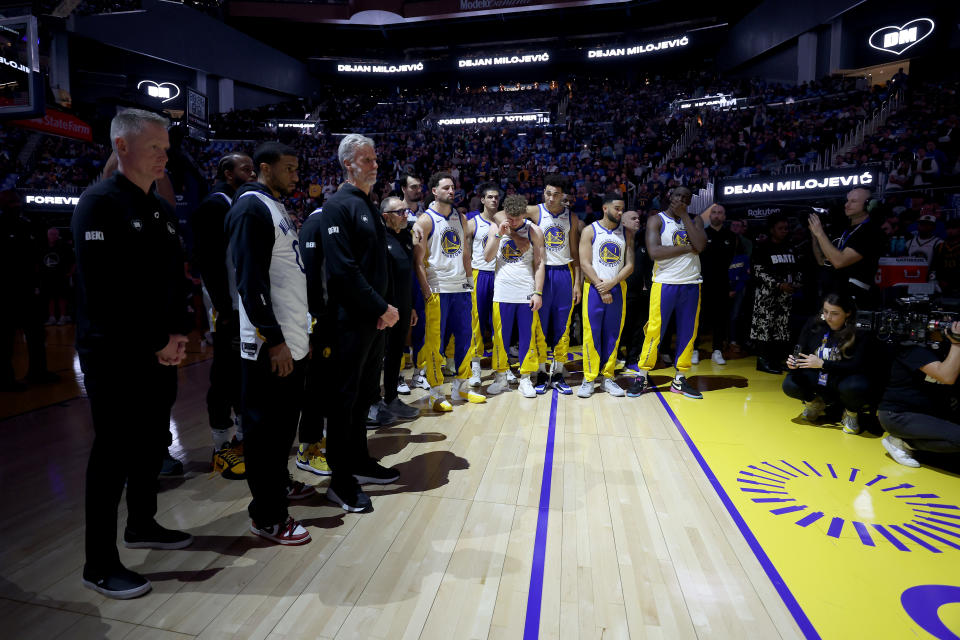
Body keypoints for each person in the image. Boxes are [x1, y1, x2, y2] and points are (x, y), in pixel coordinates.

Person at [72, 108, 193, 599]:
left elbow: (172, 280)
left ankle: (142, 524)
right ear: (122, 147)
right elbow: (106, 293)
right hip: (114, 352)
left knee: (150, 441)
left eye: (166, 147)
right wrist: (156, 340)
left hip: (158, 349)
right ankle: (98, 563)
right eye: (154, 147)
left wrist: (179, 334)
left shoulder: (160, 208)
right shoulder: (98, 204)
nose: (165, 155)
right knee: (113, 452)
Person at [226, 141, 313, 545]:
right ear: (265, 168)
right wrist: (276, 339)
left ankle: (278, 487)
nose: (296, 174)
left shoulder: (274, 205)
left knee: (282, 430)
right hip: (266, 344)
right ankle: (268, 517)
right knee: (265, 434)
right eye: (289, 167)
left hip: (290, 339)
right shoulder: (250, 208)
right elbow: (251, 283)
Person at [321, 134, 400, 513]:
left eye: (374, 159)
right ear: (348, 163)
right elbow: (342, 270)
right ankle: (340, 481)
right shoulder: (337, 206)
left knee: (363, 397)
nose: (374, 165)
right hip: (351, 321)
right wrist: (379, 306)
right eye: (366, 160)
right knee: (343, 402)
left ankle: (358, 461)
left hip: (373, 321)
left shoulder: (365, 204)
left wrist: (382, 310)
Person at [190, 153, 256, 479]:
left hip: (243, 306)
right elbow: (208, 261)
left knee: (243, 374)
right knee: (225, 375)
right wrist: (222, 307)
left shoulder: (239, 202)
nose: (253, 172)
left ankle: (243, 439)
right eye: (246, 168)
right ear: (228, 173)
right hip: (226, 307)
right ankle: (220, 446)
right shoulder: (214, 205)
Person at [413, 171, 486, 411]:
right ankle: (435, 392)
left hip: (461, 288)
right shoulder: (425, 220)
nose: (451, 191)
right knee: (435, 343)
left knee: (466, 337)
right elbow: (418, 260)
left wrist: (469, 281)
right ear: (434, 191)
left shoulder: (461, 217)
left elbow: (466, 253)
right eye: (446, 188)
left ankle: (462, 387)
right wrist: (425, 290)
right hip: (437, 288)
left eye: (453, 187)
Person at [628, 187, 706, 399]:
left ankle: (680, 378)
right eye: (677, 196)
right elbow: (655, 253)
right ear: (669, 197)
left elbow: (700, 244)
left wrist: (684, 217)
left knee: (688, 332)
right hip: (664, 283)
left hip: (691, 283)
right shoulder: (657, 220)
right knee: (654, 331)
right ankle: (642, 376)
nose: (680, 199)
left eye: (685, 197)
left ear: (689, 201)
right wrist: (688, 248)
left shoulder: (695, 220)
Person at [484, 194, 546, 398]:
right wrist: (500, 235)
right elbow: (487, 257)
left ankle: (525, 378)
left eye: (517, 218)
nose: (513, 222)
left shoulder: (534, 230)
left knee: (527, 338)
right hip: (502, 292)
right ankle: (501, 376)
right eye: (510, 217)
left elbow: (539, 263)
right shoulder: (496, 228)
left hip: (526, 292)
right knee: (500, 338)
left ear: (524, 215)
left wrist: (538, 292)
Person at [783, 293, 872, 434]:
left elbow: (858, 367)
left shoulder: (859, 331)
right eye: (825, 312)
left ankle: (851, 413)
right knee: (790, 383)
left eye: (835, 313)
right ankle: (815, 403)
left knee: (857, 386)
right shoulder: (814, 324)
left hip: (843, 379)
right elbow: (800, 351)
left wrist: (823, 364)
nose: (829, 317)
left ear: (848, 313)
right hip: (819, 377)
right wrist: (793, 364)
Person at [877, 321, 960, 468]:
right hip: (898, 415)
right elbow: (947, 376)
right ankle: (904, 442)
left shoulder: (943, 346)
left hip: (929, 412)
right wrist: (957, 343)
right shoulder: (912, 348)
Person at [578, 193, 634, 398]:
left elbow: (630, 264)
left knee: (612, 333)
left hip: (617, 288)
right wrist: (601, 286)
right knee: (591, 334)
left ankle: (608, 377)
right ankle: (589, 378)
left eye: (622, 209)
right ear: (605, 208)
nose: (620, 212)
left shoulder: (626, 233)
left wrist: (612, 283)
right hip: (593, 288)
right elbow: (585, 263)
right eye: (617, 208)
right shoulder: (589, 231)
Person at [0, 190, 57, 391]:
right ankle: (5, 380)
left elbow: (36, 256)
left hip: (29, 289)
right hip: (7, 291)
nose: (16, 205)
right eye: (12, 202)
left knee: (36, 333)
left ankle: (38, 372)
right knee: (6, 339)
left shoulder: (26, 225)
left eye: (17, 201)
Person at [294, 204, 333, 479]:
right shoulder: (316, 222)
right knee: (315, 386)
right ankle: (308, 448)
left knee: (328, 383)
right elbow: (309, 276)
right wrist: (313, 319)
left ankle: (324, 442)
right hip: (317, 318)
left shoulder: (333, 221)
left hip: (334, 317)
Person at [375, 196, 420, 419]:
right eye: (400, 212)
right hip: (383, 310)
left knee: (395, 355)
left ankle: (391, 398)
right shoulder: (378, 238)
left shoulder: (406, 236)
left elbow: (406, 275)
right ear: (386, 217)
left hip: (402, 307)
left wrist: (410, 306)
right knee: (376, 359)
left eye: (406, 211)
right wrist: (382, 308)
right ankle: (373, 403)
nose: (405, 215)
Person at [809, 188, 885, 309]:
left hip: (854, 300)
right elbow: (822, 260)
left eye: (853, 201)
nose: (847, 205)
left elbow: (839, 261)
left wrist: (819, 233)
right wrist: (814, 235)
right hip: (832, 297)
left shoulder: (871, 232)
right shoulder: (842, 229)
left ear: (868, 205)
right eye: (847, 200)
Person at [750, 215, 803, 374]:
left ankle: (775, 360)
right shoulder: (762, 248)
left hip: (786, 296)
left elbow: (798, 269)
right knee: (764, 328)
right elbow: (758, 271)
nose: (784, 231)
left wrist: (797, 283)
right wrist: (778, 285)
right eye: (780, 228)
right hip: (766, 295)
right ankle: (762, 361)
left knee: (781, 329)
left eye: (786, 228)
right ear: (772, 229)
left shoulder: (791, 247)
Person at [466, 182, 501, 387]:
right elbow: (464, 251)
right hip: (479, 274)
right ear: (482, 200)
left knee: (499, 322)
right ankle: (476, 366)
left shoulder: (505, 222)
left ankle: (500, 367)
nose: (494, 200)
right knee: (476, 322)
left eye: (496, 197)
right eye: (490, 197)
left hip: (500, 275)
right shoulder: (473, 223)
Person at [697, 204, 734, 365]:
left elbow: (735, 262)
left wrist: (733, 286)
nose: (717, 215)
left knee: (720, 319)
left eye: (720, 213)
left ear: (724, 217)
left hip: (723, 284)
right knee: (699, 318)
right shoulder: (702, 234)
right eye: (714, 213)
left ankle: (717, 350)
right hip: (703, 283)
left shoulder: (731, 236)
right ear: (709, 216)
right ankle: (694, 349)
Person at [621, 209, 650, 364]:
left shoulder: (645, 240)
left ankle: (632, 359)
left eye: (638, 218)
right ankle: (617, 355)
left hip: (642, 291)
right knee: (622, 326)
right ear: (623, 222)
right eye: (633, 218)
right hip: (622, 291)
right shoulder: (616, 240)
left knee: (639, 328)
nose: (637, 221)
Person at [41, 227, 74, 326]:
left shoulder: (64, 246)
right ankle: (52, 318)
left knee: (62, 297)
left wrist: (71, 273)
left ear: (58, 235)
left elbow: (73, 260)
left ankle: (63, 317)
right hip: (47, 277)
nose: (52, 236)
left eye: (55, 234)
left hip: (61, 276)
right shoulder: (43, 246)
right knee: (50, 297)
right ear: (47, 235)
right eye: (51, 234)